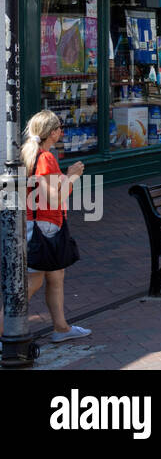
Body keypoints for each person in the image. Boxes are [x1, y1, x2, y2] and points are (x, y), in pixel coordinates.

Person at [20, 111, 91, 342]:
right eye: (60, 128)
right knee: (34, 280)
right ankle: (4, 330)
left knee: (56, 276)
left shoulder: (33, 154)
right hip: (45, 224)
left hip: (41, 221)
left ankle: (61, 328)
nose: (62, 131)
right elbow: (52, 197)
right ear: (53, 133)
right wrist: (73, 176)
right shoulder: (45, 158)